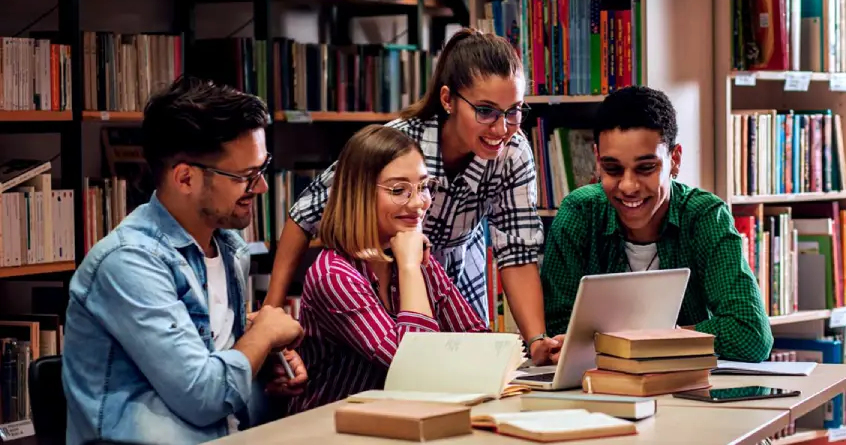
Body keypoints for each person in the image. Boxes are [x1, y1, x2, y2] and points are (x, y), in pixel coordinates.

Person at [266, 27, 560, 365]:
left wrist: (536, 341)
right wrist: (273, 319)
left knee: (470, 366)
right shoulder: (398, 145)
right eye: (485, 111)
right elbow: (304, 215)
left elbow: (516, 253)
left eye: (514, 111)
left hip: (444, 273)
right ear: (448, 100)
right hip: (385, 274)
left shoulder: (514, 149)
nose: (501, 128)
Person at [62, 76, 307, 445]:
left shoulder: (229, 246)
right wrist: (264, 334)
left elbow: (218, 365)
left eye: (262, 169)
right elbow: (204, 396)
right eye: (245, 176)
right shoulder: (128, 263)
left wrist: (263, 363)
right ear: (185, 178)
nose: (262, 187)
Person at [540, 85, 774, 363]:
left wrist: (638, 342)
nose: (628, 186)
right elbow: (557, 332)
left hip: (690, 391)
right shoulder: (579, 212)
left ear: (674, 160)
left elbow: (751, 335)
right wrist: (676, 339)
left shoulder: (705, 216)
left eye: (646, 168)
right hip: (598, 390)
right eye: (612, 169)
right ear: (597, 159)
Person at [289, 124, 489, 412]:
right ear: (359, 193)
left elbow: (476, 339)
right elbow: (414, 370)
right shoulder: (334, 275)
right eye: (399, 190)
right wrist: (410, 268)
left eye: (423, 187)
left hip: (399, 419)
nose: (419, 202)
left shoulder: (408, 250)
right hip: (332, 429)